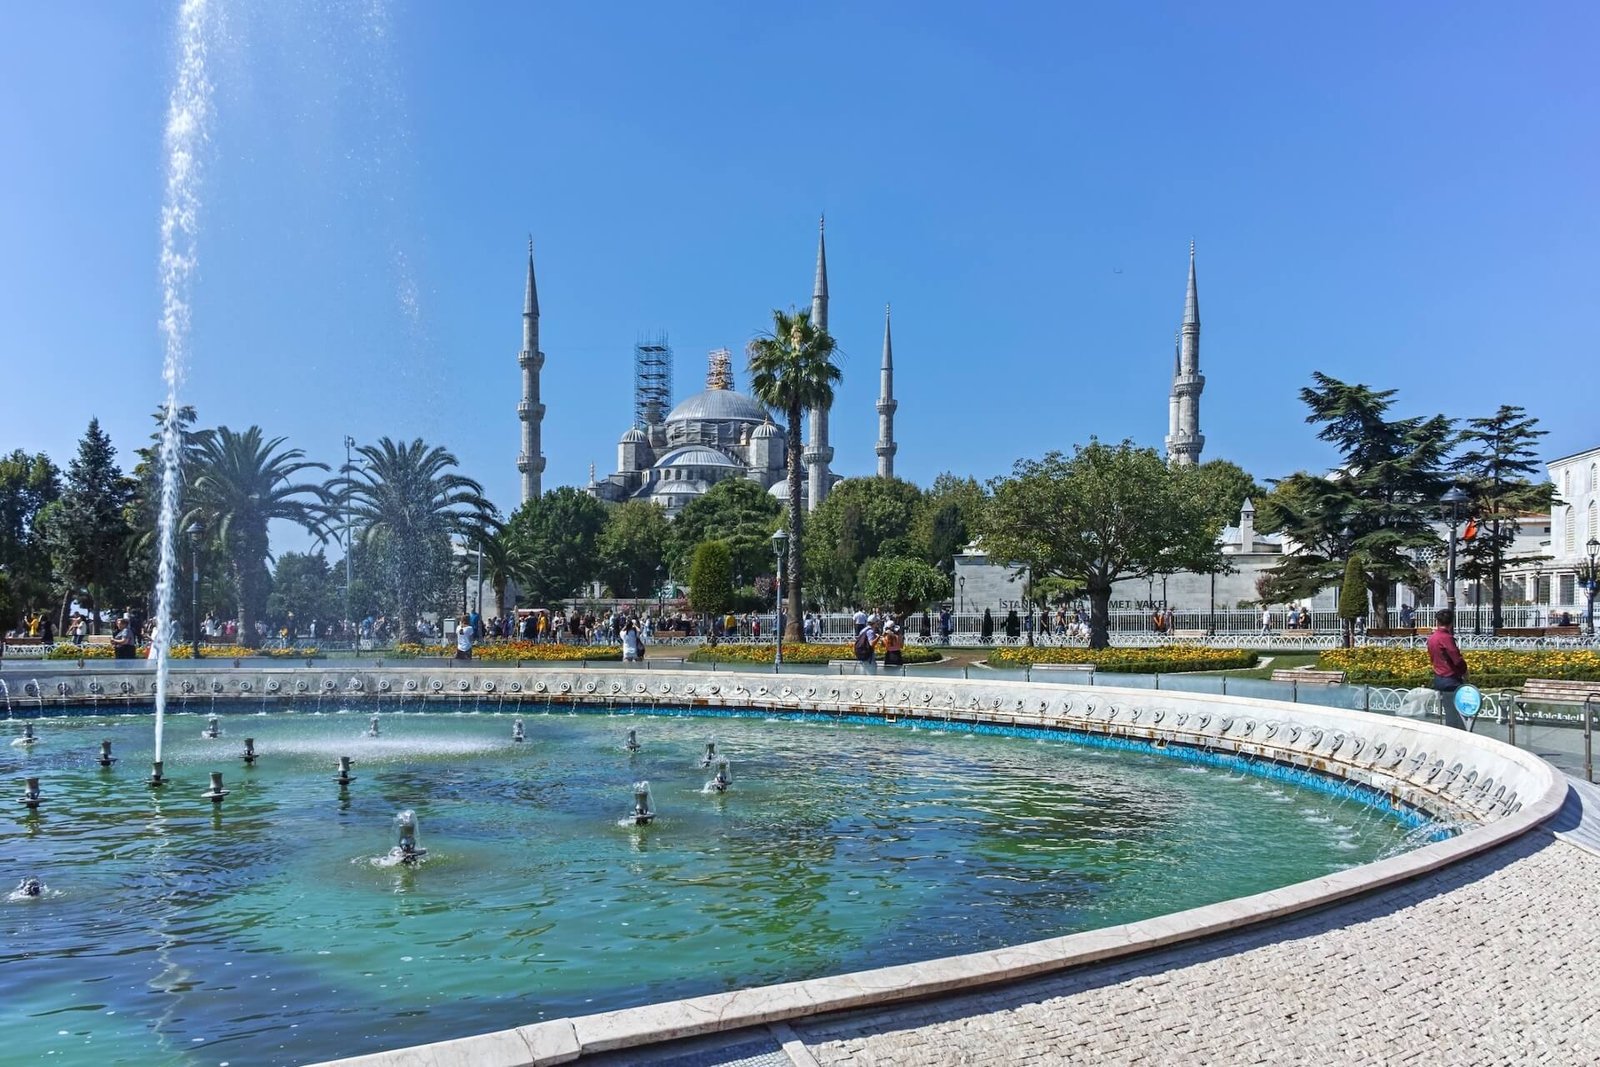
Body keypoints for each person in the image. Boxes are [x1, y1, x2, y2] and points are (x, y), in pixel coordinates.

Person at [1426, 608, 1469, 729]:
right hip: (1450, 678)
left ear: (1437, 622)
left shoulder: (1432, 638)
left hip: (1439, 676)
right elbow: (1456, 658)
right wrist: (1464, 670)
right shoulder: (1446, 638)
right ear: (1451, 623)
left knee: (1447, 710)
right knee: (1455, 715)